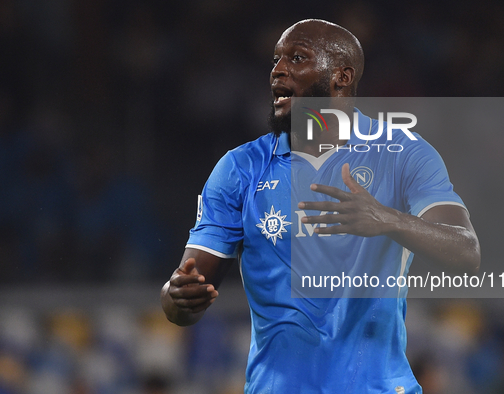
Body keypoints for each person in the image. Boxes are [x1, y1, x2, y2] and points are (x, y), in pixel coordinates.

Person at [161, 19, 480, 393]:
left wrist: (389, 220)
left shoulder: (403, 154)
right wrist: (177, 295)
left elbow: (466, 252)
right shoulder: (240, 168)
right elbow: (184, 298)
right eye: (276, 60)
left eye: (297, 58)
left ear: (341, 77)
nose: (278, 70)